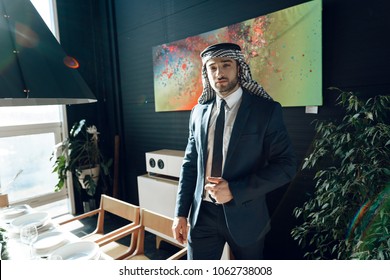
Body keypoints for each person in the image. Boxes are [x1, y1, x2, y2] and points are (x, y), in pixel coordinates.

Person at [172, 42, 297, 260]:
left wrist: (235, 191)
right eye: (212, 67)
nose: (219, 73)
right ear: (206, 73)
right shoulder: (198, 112)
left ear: (239, 68)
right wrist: (180, 213)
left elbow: (286, 166)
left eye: (226, 65)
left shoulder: (265, 111)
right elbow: (190, 164)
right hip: (202, 216)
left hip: (247, 216)